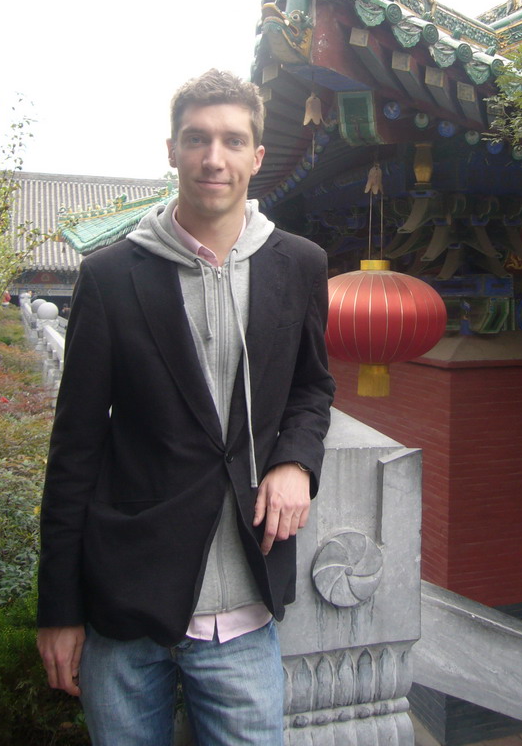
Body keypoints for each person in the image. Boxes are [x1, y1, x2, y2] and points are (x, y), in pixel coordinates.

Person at [37, 69, 335, 745]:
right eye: (197, 139)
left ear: (257, 157)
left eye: (233, 141)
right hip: (126, 607)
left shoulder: (301, 264)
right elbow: (74, 448)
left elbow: (313, 387)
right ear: (171, 149)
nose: (213, 158)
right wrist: (58, 609)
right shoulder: (113, 278)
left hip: (245, 613)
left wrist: (297, 462)